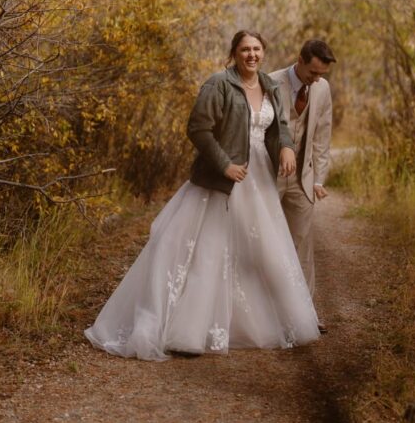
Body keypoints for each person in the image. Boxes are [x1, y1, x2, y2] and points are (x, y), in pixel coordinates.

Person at [84, 30, 320, 360]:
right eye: (244, 49)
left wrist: (285, 147)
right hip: (220, 179)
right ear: (234, 53)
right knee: (207, 247)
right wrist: (224, 165)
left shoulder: (269, 85)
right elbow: (197, 128)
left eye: (256, 49)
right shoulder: (218, 84)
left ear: (263, 53)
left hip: (260, 180)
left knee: (260, 250)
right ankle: (188, 330)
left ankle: (251, 323)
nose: (251, 55)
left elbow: (279, 124)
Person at [271, 39, 336, 322]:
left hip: (302, 179)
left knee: (301, 244)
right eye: (313, 72)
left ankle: (305, 314)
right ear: (300, 60)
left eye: (321, 74)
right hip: (269, 174)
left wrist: (319, 178)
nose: (317, 78)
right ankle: (267, 313)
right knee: (264, 241)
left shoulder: (322, 89)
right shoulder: (271, 82)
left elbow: (323, 135)